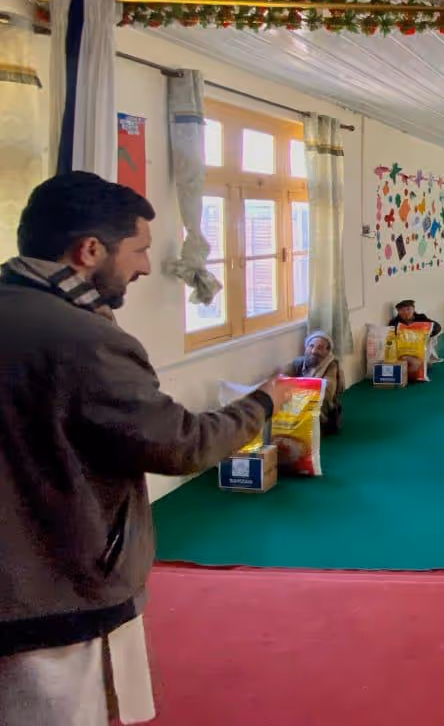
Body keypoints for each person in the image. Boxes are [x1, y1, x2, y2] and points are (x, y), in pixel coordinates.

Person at [0, 172, 286, 725]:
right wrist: (264, 403)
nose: (147, 267)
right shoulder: (84, 340)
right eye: (139, 250)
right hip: (55, 590)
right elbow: (182, 445)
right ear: (89, 250)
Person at [284, 330, 344, 435]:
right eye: (311, 346)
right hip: (297, 402)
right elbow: (281, 380)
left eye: (320, 348)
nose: (314, 351)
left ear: (327, 351)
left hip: (319, 406)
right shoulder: (297, 363)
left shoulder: (331, 366)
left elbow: (327, 393)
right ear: (306, 347)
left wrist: (297, 390)